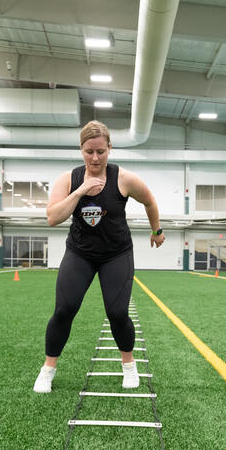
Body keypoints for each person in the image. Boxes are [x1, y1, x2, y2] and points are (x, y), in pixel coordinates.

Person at [33, 120, 165, 393]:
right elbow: (52, 217)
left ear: (109, 149)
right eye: (89, 151)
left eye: (101, 152)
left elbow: (150, 200)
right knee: (64, 310)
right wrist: (81, 190)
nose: (95, 157)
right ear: (81, 150)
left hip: (116, 254)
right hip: (80, 253)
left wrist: (157, 230)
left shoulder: (124, 179)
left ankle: (129, 366)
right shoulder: (68, 179)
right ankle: (48, 369)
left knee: (117, 313)